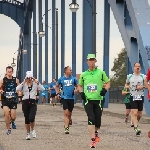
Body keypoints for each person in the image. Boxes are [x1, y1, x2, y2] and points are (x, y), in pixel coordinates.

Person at [78, 54, 110, 148]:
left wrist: (105, 90)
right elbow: (80, 85)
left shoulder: (101, 72)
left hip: (99, 99)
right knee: (91, 118)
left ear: (95, 61)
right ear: (87, 62)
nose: (91, 62)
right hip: (88, 100)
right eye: (89, 60)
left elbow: (108, 82)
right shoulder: (84, 74)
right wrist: (81, 93)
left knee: (97, 121)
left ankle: (96, 132)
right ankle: (92, 140)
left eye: (93, 60)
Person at [16, 71, 44, 140]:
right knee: (27, 119)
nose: (29, 79)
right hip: (25, 102)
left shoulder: (35, 84)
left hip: (32, 102)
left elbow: (42, 89)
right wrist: (23, 82)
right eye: (28, 78)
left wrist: (37, 82)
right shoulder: (24, 84)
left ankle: (33, 129)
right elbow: (17, 89)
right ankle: (28, 133)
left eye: (30, 78)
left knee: (32, 118)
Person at [55, 66, 78, 134]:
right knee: (66, 113)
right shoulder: (61, 79)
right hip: (64, 97)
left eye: (71, 70)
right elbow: (56, 86)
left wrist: (76, 90)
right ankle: (66, 127)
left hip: (71, 98)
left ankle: (69, 119)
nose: (71, 71)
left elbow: (78, 86)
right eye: (70, 70)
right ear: (66, 71)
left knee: (69, 113)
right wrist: (57, 93)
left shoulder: (74, 79)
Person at [125, 62, 146, 136]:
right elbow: (126, 84)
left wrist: (142, 87)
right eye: (136, 66)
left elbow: (147, 86)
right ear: (134, 68)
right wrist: (127, 87)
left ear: (140, 68)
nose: (137, 68)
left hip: (140, 96)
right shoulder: (129, 76)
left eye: (139, 66)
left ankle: (134, 122)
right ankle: (136, 128)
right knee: (134, 112)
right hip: (133, 96)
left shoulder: (143, 77)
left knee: (139, 114)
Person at [0, 66, 20, 135]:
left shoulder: (16, 80)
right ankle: (9, 129)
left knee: (13, 117)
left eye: (10, 72)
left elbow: (19, 88)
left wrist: (18, 91)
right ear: (6, 72)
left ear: (12, 72)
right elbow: (0, 88)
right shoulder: (2, 80)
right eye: (8, 72)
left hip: (13, 100)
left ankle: (13, 121)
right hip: (5, 99)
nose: (9, 73)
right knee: (6, 114)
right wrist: (1, 90)